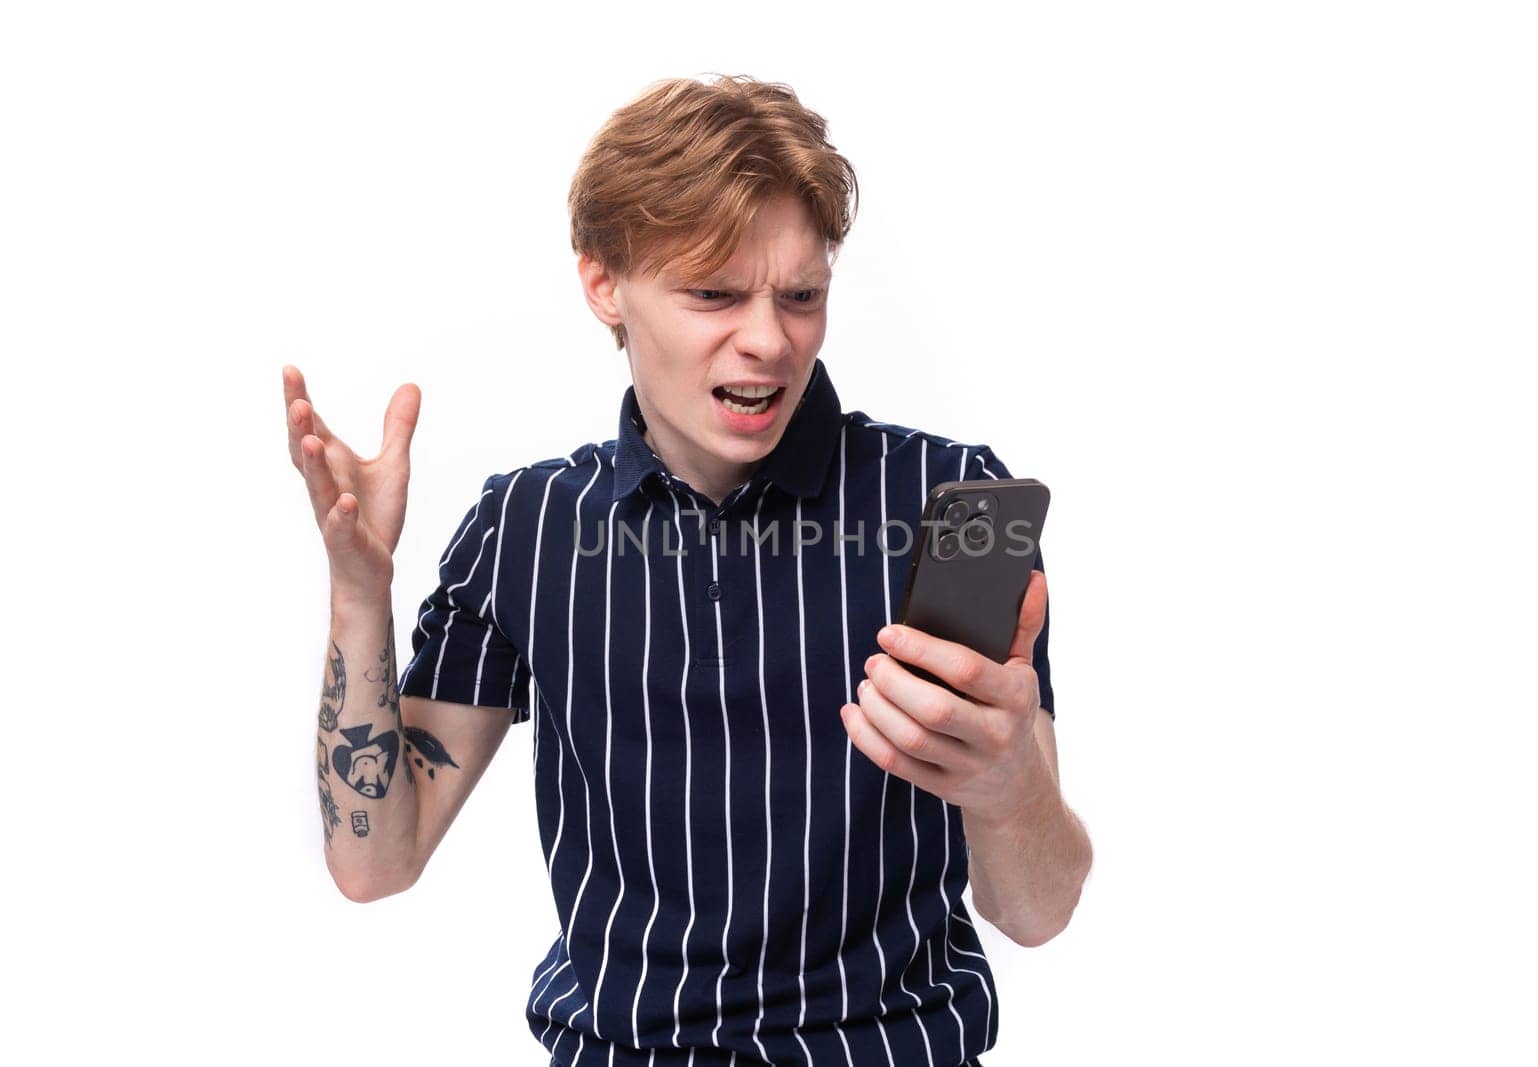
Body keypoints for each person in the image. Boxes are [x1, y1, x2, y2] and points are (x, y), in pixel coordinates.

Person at [285, 73, 1092, 1067]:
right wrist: (360, 593)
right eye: (713, 293)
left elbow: (1038, 910)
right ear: (602, 284)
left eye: (801, 295)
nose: (768, 339)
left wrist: (1010, 785)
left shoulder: (951, 504)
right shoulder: (526, 524)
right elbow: (375, 860)